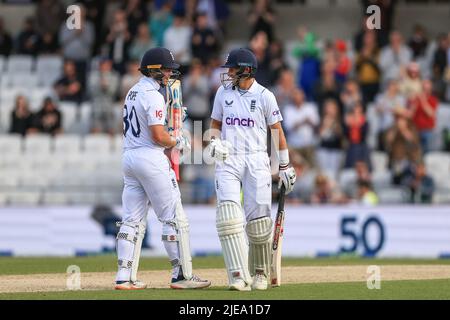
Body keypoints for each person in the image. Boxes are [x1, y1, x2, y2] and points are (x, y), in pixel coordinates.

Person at [115, 47, 211, 290]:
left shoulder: (133, 92)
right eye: (167, 69)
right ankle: (182, 276)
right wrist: (178, 140)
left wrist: (169, 125)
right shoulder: (154, 95)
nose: (170, 74)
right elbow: (158, 136)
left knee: (131, 221)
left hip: (129, 157)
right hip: (151, 158)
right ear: (154, 69)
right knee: (174, 218)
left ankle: (124, 277)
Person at [209, 48, 296, 291]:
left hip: (257, 160)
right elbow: (215, 124)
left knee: (258, 224)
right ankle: (237, 275)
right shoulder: (222, 93)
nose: (227, 73)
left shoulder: (265, 96)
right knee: (228, 217)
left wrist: (285, 165)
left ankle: (259, 273)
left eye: (232, 68)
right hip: (228, 159)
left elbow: (277, 131)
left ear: (246, 69)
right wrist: (214, 142)